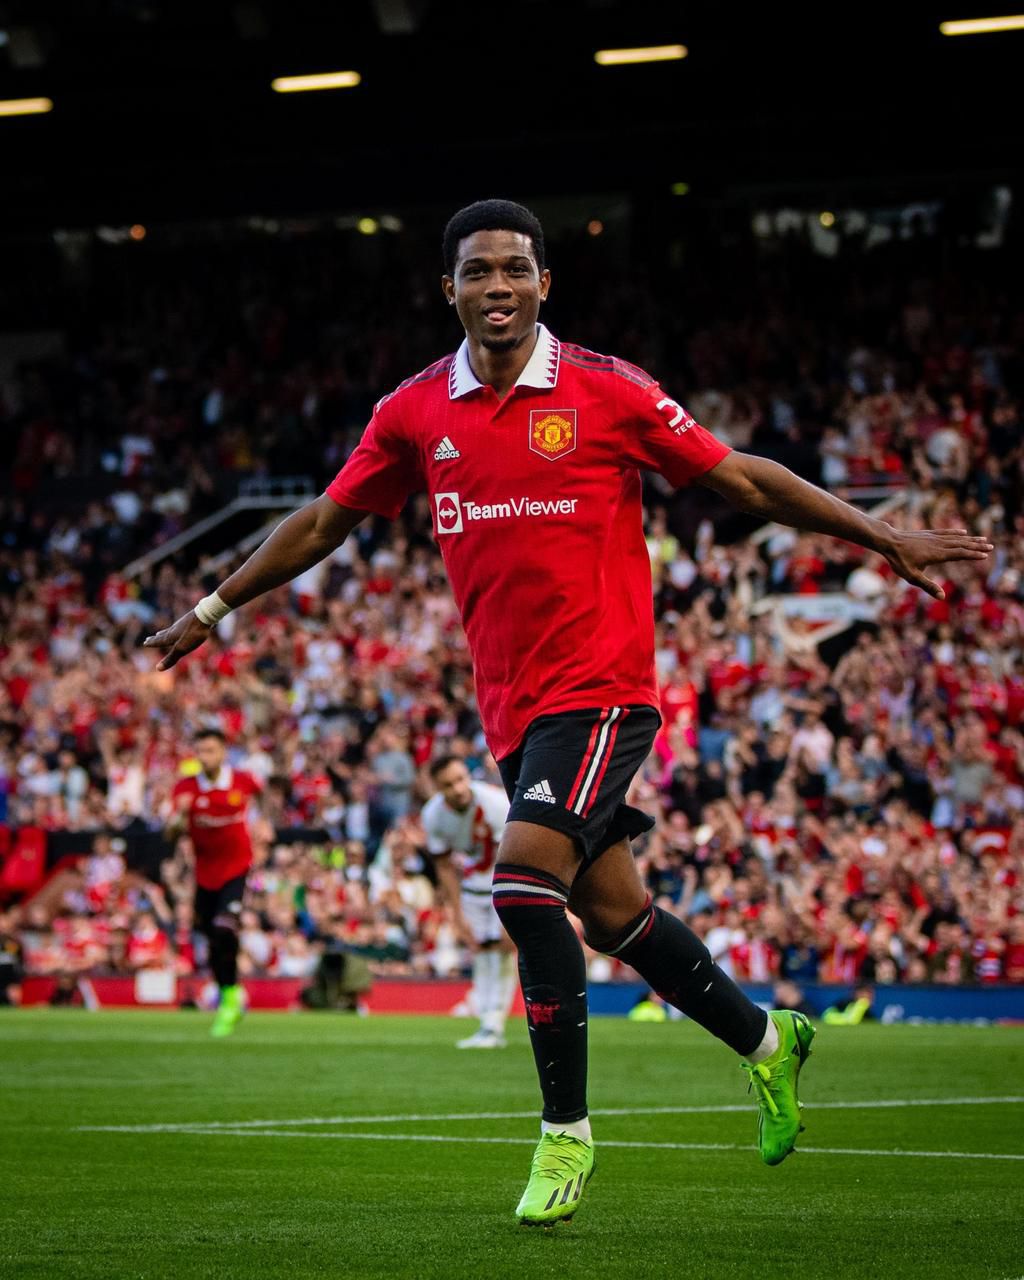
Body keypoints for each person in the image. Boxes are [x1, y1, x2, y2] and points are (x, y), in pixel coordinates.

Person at [144, 199, 993, 1225]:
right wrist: (211, 606)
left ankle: (564, 1135)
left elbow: (740, 481)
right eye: (476, 271)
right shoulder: (414, 411)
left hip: (601, 691)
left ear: (546, 283)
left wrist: (881, 536)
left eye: (514, 269)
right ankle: (769, 1041)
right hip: (514, 710)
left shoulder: (605, 388)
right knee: (609, 911)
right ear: (446, 288)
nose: (496, 287)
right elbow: (326, 518)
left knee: (518, 883)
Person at [168, 728, 262, 1037]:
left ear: (223, 752)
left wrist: (265, 830)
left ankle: (231, 1000)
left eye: (210, 750)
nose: (204, 757)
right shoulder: (185, 789)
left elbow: (267, 800)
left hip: (236, 868)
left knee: (225, 926)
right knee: (212, 939)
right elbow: (170, 835)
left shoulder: (242, 781)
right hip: (204, 874)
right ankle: (228, 993)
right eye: (200, 752)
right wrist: (179, 818)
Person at [422, 754, 516, 1049]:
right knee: (481, 950)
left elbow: (513, 854)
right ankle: (487, 1021)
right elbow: (444, 866)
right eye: (449, 784)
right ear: (438, 789)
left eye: (461, 779)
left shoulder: (495, 802)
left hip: (504, 882)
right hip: (471, 887)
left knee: (502, 950)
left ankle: (494, 1023)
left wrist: (514, 901)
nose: (459, 788)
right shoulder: (433, 815)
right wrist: (456, 913)